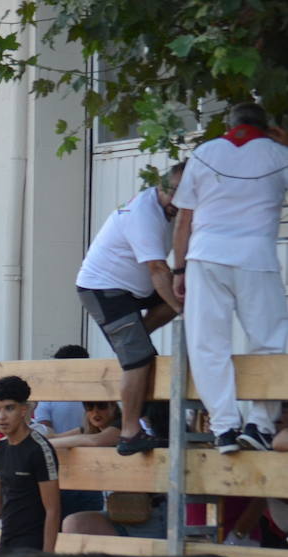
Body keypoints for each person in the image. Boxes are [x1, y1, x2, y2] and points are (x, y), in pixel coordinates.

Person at [172, 102, 288, 454]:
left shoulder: (204, 153)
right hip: (256, 256)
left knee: (208, 344)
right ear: (266, 127)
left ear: (230, 124)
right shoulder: (277, 154)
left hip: (205, 255)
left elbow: (184, 220)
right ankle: (260, 424)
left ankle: (223, 428)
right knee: (270, 340)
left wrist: (179, 269)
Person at [76, 163, 185, 455]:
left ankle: (134, 335)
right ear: (163, 188)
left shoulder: (171, 206)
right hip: (103, 288)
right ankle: (129, 432)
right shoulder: (145, 214)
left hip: (134, 287)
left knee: (186, 291)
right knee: (138, 359)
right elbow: (158, 269)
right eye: (178, 198)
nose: (181, 205)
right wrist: (180, 308)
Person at [0, 376, 61, 553]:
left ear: (23, 409)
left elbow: (53, 510)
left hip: (33, 549)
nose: (1, 417)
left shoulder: (39, 449)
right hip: (7, 543)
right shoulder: (1, 448)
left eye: (9, 408)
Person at [33, 345, 89, 435]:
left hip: (89, 446)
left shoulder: (96, 393)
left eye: (59, 368)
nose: (56, 371)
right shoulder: (48, 394)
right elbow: (44, 427)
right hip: (57, 447)